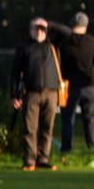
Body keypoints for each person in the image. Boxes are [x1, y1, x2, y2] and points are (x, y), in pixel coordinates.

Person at [10, 16, 71, 171]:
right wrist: (14, 95)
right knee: (30, 128)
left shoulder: (52, 43)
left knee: (47, 127)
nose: (38, 31)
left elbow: (68, 33)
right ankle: (29, 160)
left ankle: (43, 159)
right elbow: (15, 72)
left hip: (51, 92)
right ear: (30, 30)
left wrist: (50, 24)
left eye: (41, 29)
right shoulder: (24, 47)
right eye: (35, 28)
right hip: (31, 93)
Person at [58, 12, 94, 158]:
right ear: (86, 25)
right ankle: (92, 148)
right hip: (90, 86)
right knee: (90, 118)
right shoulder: (92, 42)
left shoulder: (64, 43)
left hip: (67, 85)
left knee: (67, 119)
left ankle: (66, 149)